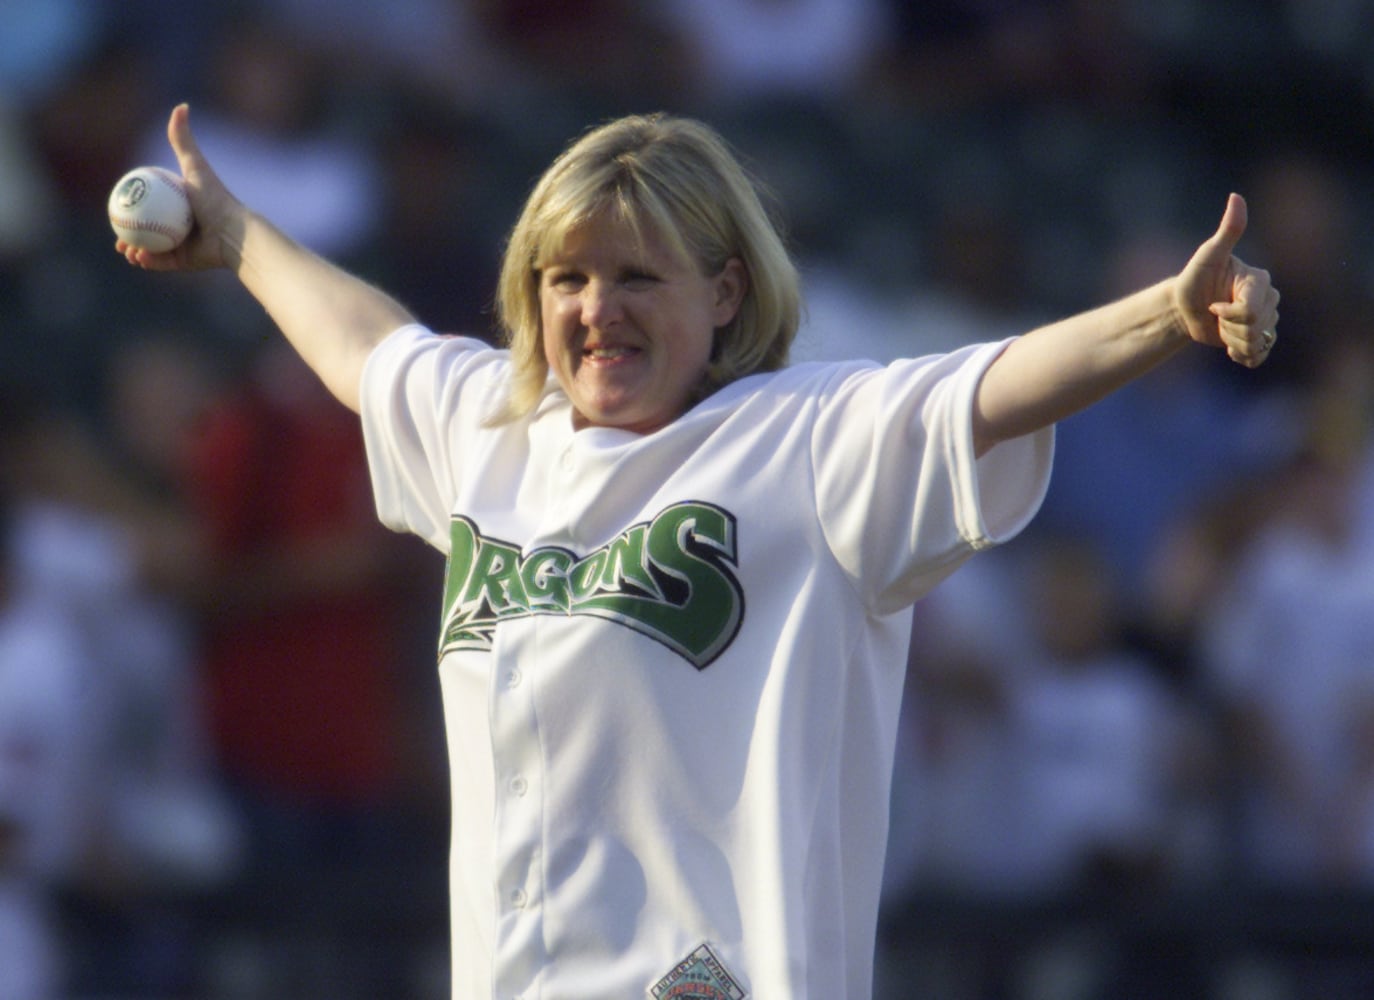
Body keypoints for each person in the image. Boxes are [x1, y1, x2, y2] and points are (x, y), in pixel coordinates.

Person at [118, 102, 1279, 1000]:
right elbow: (370, 347)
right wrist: (239, 238)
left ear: (724, 292)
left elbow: (996, 386)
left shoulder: (810, 440)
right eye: (565, 276)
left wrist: (1166, 316)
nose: (595, 308)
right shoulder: (492, 434)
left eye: (637, 274)